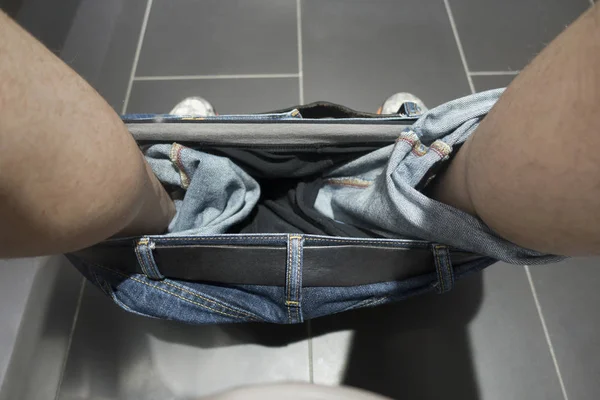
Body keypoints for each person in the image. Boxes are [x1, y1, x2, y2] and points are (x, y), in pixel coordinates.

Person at [0, 3, 599, 260]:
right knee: (441, 192)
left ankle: (184, 191)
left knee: (156, 206)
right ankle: (407, 174)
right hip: (413, 254)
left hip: (162, 261)